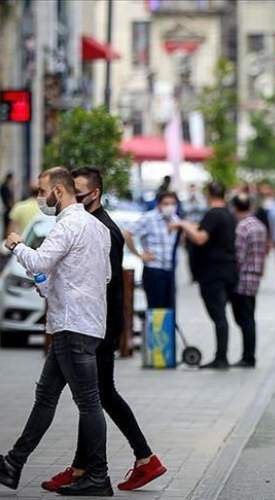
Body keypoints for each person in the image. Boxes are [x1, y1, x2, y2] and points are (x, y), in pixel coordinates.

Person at [36, 168, 168, 492]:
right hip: (94, 324)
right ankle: (91, 466)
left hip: (98, 327)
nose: (70, 199)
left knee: (97, 396)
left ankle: (136, 459)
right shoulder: (88, 224)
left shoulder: (103, 229)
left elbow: (98, 283)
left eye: (78, 193)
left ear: (94, 194)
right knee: (96, 396)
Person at [0, 167, 112, 496]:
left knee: (88, 403)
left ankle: (98, 476)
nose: (40, 198)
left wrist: (16, 245)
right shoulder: (97, 227)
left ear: (59, 192)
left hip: (71, 325)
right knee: (46, 397)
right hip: (85, 323)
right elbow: (98, 276)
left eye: (42, 190)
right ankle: (13, 463)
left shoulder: (66, 226)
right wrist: (48, 287)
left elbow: (38, 262)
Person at [174, 182, 238, 370]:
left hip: (213, 273)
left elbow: (201, 238)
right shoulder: (228, 214)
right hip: (227, 270)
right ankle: (221, 356)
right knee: (221, 315)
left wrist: (184, 225)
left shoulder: (213, 214)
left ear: (208, 194)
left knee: (218, 315)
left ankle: (221, 358)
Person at [124, 192, 181, 309]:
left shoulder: (175, 219)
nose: (170, 206)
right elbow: (127, 233)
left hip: (170, 270)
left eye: (173, 204)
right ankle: (156, 328)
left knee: (170, 308)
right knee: (156, 309)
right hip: (154, 270)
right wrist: (139, 254)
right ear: (159, 204)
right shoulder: (149, 218)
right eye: (166, 203)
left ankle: (168, 328)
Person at [231, 194, 268, 368]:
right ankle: (249, 355)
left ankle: (248, 357)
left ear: (235, 207)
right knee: (249, 316)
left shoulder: (242, 228)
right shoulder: (259, 226)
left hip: (243, 277)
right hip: (255, 276)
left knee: (244, 319)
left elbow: (238, 255)